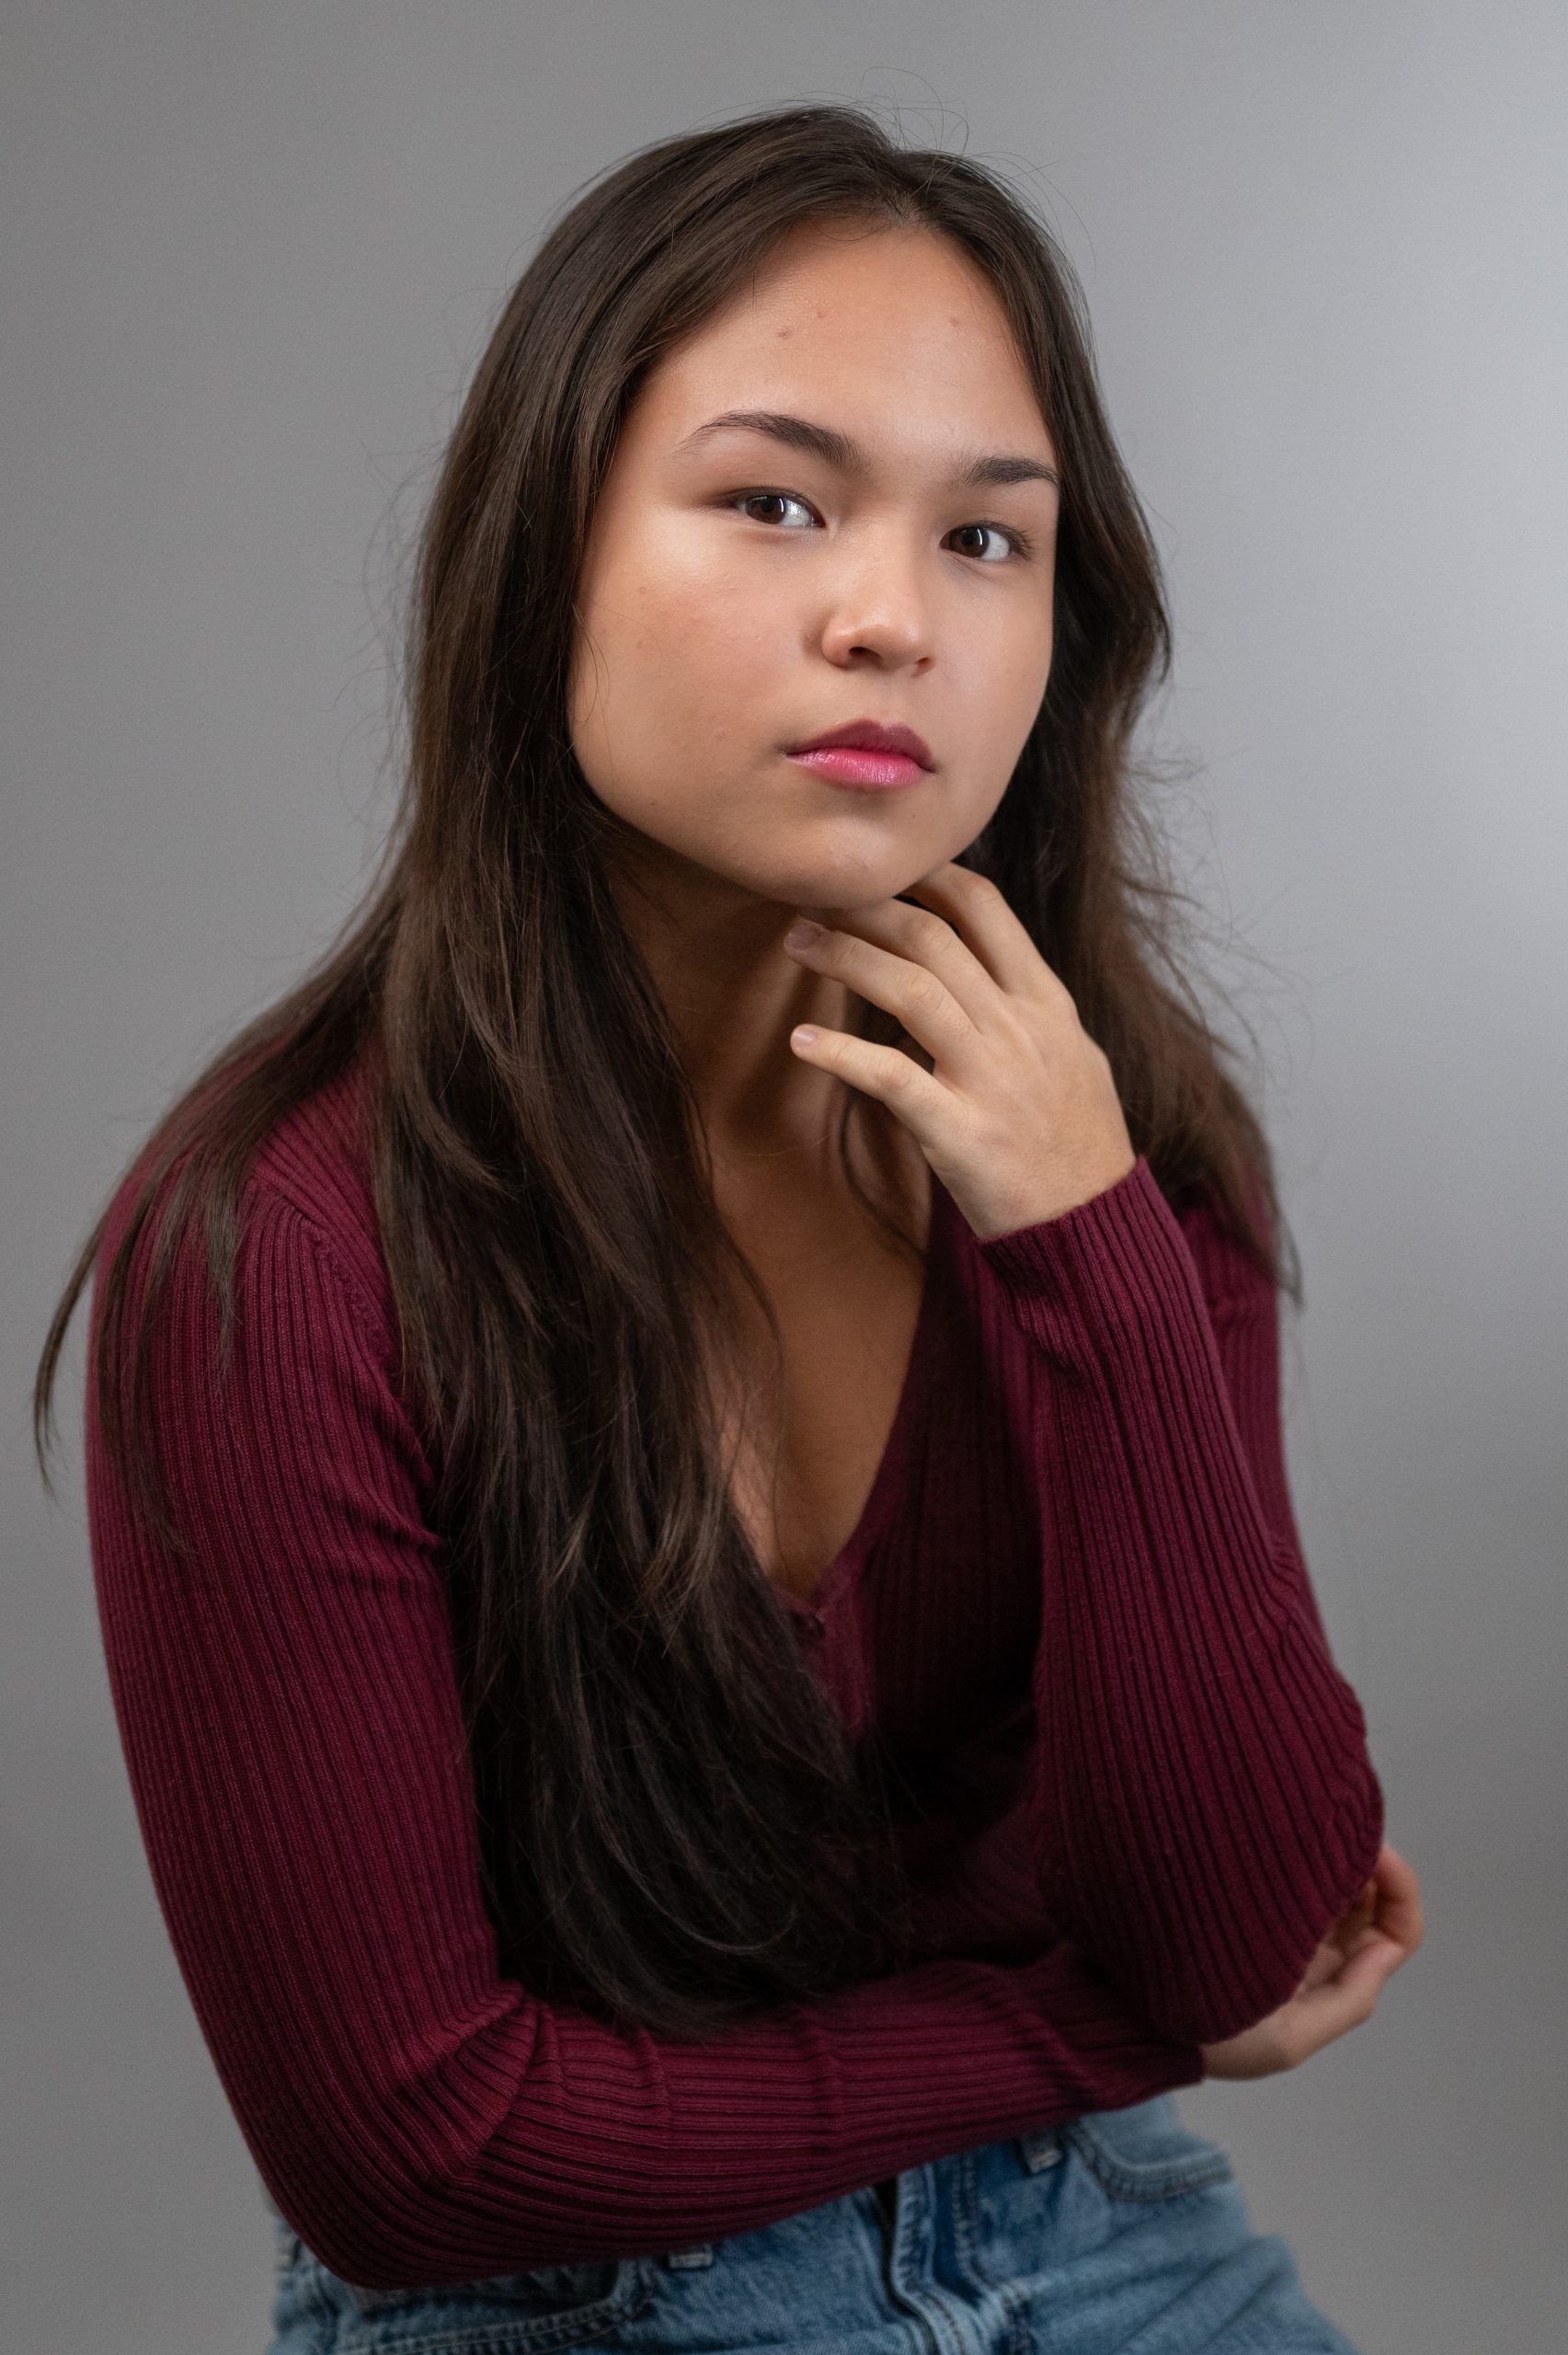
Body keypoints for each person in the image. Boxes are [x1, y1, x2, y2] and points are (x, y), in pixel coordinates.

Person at [35, 100, 1424, 2354]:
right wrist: (1090, 2025)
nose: (890, 617)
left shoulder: (1127, 1144)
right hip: (558, 2299)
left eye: (990, 539)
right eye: (773, 502)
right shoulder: (277, 1242)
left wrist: (1093, 1251)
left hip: (1105, 2233)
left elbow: (1245, 1913)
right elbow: (416, 2151)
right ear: (544, 557)